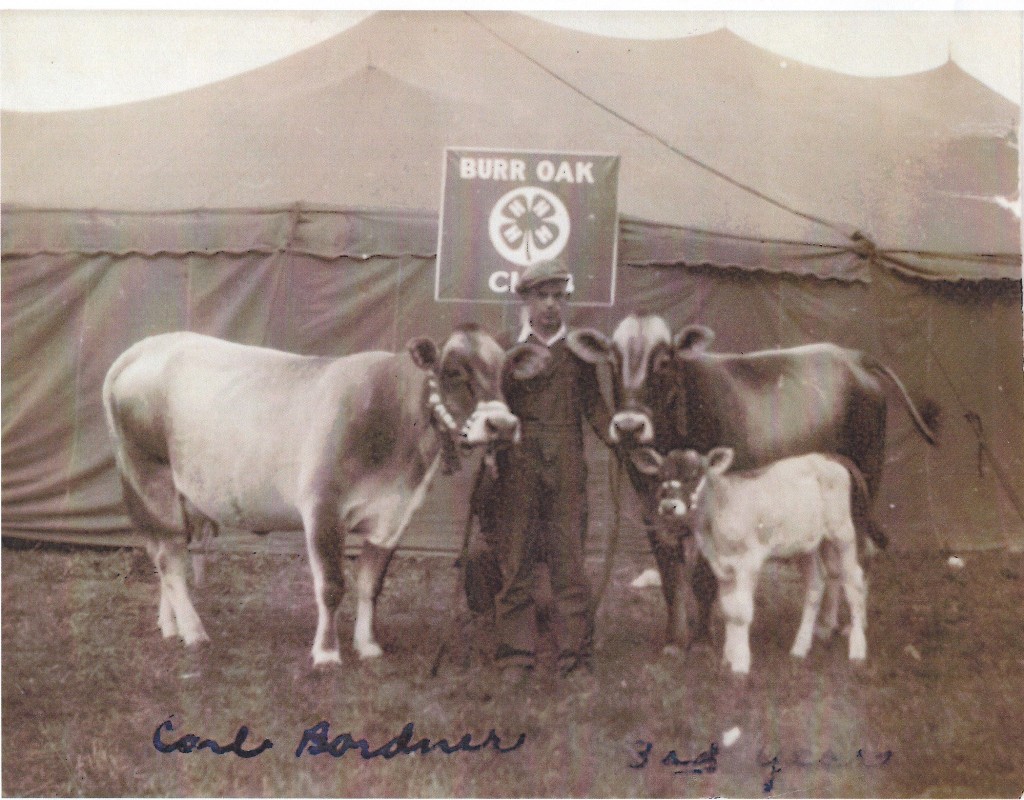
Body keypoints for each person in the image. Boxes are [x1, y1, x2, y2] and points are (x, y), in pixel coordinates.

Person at [478, 257, 615, 685]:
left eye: (558, 296)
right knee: (516, 560)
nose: (551, 305)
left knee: (569, 562)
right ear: (525, 300)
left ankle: (574, 658)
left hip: (568, 468)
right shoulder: (504, 350)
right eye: (542, 296)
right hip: (518, 465)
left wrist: (621, 439)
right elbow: (492, 410)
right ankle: (515, 657)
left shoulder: (578, 352)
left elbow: (595, 410)